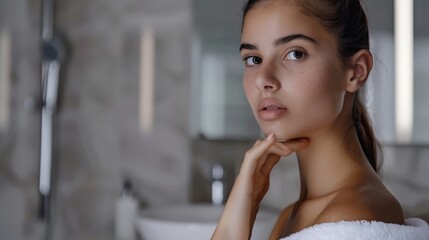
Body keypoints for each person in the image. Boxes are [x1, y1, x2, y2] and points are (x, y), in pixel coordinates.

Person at [210, 0, 429, 239]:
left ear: (356, 71)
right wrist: (245, 207)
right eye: (253, 59)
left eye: (295, 54)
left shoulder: (352, 215)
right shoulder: (291, 216)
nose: (263, 79)